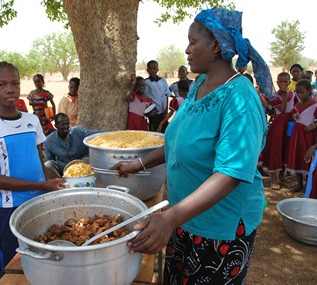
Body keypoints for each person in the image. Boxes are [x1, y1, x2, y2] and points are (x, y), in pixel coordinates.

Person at [111, 8, 271, 284]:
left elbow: (230, 174)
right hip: (184, 217)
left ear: (217, 44)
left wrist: (171, 217)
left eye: (193, 41)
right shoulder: (199, 85)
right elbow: (179, 141)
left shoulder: (239, 98)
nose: (186, 49)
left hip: (219, 228)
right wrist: (138, 164)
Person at [0, 61, 65, 266]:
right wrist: (40, 186)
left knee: (47, 256)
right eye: (2, 84)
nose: (10, 89)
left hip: (41, 201)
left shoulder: (32, 120)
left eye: (15, 83)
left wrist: (55, 182)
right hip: (12, 208)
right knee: (17, 263)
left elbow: (39, 162)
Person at [286, 79, 317, 193]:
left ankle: (307, 185)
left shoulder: (316, 106)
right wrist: (294, 117)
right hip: (297, 135)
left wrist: (313, 126)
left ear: (309, 91)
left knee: (306, 159)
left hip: (308, 136)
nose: (299, 95)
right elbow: (293, 115)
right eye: (297, 92)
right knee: (297, 156)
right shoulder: (297, 105)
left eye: (302, 92)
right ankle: (299, 183)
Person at [261, 72, 296, 190]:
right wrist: (285, 96)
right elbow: (283, 108)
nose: (283, 84)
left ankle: (282, 177)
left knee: (285, 149)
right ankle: (274, 179)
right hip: (278, 126)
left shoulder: (294, 94)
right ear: (277, 83)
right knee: (276, 150)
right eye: (280, 82)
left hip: (289, 125)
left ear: (289, 82)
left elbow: (295, 108)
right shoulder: (274, 96)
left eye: (285, 81)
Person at [143, 60, 171, 132]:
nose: (152, 71)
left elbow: (166, 95)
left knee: (165, 131)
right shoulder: (146, 82)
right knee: (154, 132)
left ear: (157, 70)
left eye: (154, 69)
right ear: (147, 70)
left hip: (163, 113)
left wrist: (166, 110)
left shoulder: (163, 80)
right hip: (154, 114)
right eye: (150, 69)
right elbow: (144, 98)